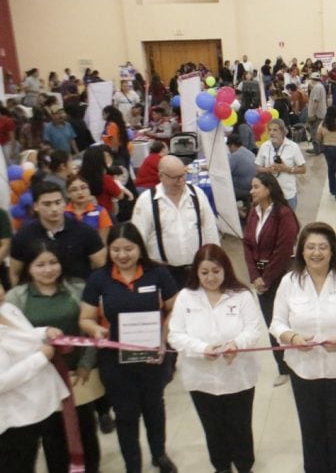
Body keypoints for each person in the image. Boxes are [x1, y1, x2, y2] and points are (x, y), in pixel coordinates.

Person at [79, 222, 180, 473]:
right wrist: (96, 330)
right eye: (115, 250)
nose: (122, 255)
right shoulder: (99, 279)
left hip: (153, 356)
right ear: (108, 250)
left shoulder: (157, 273)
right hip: (115, 360)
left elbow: (175, 309)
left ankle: (159, 454)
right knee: (125, 415)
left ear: (140, 248)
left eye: (129, 249)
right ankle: (132, 464)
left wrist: (162, 336)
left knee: (154, 408)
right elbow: (85, 318)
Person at [269, 222, 336, 473]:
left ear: (332, 250)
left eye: (322, 247)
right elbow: (276, 323)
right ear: (301, 251)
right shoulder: (289, 282)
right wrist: (291, 338)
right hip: (304, 370)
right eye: (310, 247)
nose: (316, 253)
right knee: (311, 428)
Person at [7, 240, 101, 473]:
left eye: (53, 262)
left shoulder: (78, 288)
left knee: (86, 430)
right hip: (42, 379)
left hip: (79, 376)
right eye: (40, 265)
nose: (48, 269)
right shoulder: (15, 298)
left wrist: (86, 364)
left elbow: (91, 329)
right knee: (53, 437)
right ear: (28, 268)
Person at [168, 244, 263, 473]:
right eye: (204, 272)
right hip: (201, 379)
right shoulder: (185, 297)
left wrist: (236, 345)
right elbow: (175, 335)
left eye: (216, 271)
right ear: (196, 273)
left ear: (226, 269)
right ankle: (221, 466)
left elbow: (253, 329)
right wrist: (202, 348)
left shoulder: (241, 295)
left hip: (238, 376)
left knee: (240, 425)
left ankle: (244, 465)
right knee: (212, 427)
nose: (211, 277)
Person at [242, 173, 300, 387]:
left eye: (256, 187)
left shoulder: (283, 214)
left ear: (268, 188)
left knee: (289, 319)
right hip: (261, 278)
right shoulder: (254, 212)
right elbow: (247, 243)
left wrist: (266, 278)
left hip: (281, 276)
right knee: (271, 322)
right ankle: (282, 367)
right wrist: (254, 276)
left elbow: (284, 250)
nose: (251, 191)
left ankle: (297, 360)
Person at [0, 300, 68, 472]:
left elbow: (25, 335)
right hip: (16, 416)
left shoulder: (7, 308)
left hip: (41, 401)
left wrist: (45, 332)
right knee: (18, 463)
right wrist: (40, 358)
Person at [132, 155, 220, 287]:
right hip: (162, 272)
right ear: (161, 176)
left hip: (196, 269)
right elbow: (138, 240)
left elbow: (210, 229)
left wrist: (215, 260)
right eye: (175, 178)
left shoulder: (197, 194)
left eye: (183, 175)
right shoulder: (146, 201)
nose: (181, 181)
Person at [9, 181, 106, 285]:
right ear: (36, 206)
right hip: (37, 296)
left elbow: (103, 266)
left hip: (77, 294)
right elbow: (15, 272)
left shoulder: (85, 232)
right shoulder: (24, 236)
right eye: (47, 204)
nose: (54, 209)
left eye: (58, 202)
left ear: (64, 203)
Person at [255, 118, 307, 210]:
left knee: (288, 221)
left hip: (287, 193)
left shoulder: (293, 147)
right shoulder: (264, 146)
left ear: (282, 131)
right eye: (270, 130)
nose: (271, 133)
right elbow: (258, 167)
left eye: (275, 130)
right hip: (270, 193)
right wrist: (267, 169)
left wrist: (287, 169)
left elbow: (303, 169)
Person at [79, 145, 133, 216]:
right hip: (105, 213)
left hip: (84, 213)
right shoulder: (106, 179)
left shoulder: (79, 176)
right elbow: (120, 196)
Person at [65, 173, 113, 242]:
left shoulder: (100, 212)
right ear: (68, 194)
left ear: (89, 190)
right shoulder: (62, 213)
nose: (80, 192)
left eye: (83, 188)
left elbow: (103, 242)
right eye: (74, 190)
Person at [225, 135, 256, 208]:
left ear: (232, 145)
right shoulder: (246, 151)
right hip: (253, 184)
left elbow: (225, 172)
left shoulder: (235, 156)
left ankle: (234, 211)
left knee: (222, 190)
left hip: (245, 188)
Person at [306, 73, 327, 152]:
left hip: (317, 114)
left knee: (314, 131)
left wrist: (312, 113)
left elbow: (316, 101)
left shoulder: (317, 88)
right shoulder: (320, 86)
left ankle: (317, 149)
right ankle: (321, 148)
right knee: (318, 131)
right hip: (321, 112)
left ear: (312, 79)